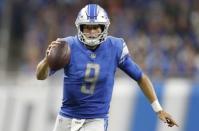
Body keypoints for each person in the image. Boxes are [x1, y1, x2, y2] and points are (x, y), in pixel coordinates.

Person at [36, 4, 178, 131]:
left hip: (95, 120)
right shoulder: (67, 45)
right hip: (66, 117)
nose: (91, 32)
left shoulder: (115, 47)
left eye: (96, 27)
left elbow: (141, 77)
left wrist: (158, 109)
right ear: (80, 28)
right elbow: (40, 76)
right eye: (87, 27)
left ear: (104, 27)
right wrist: (46, 61)